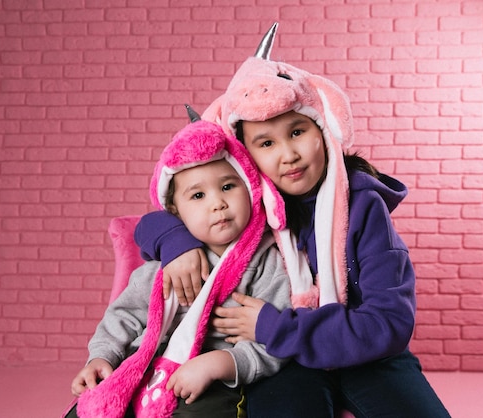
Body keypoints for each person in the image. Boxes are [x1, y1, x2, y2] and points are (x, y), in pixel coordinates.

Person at [134, 23, 450, 418]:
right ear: (245, 154)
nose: (289, 155)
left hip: (365, 357)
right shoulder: (247, 204)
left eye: (297, 132)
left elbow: (390, 323)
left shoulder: (365, 209)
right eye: (267, 143)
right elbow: (162, 214)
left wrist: (275, 327)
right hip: (283, 361)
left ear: (323, 130)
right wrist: (174, 240)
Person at [69, 116, 291, 418]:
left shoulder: (267, 263)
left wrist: (220, 364)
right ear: (175, 211)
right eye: (198, 195)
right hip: (146, 360)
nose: (218, 203)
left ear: (251, 189)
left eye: (227, 187)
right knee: (94, 407)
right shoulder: (166, 263)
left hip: (217, 375)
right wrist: (100, 357)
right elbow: (125, 315)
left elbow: (277, 338)